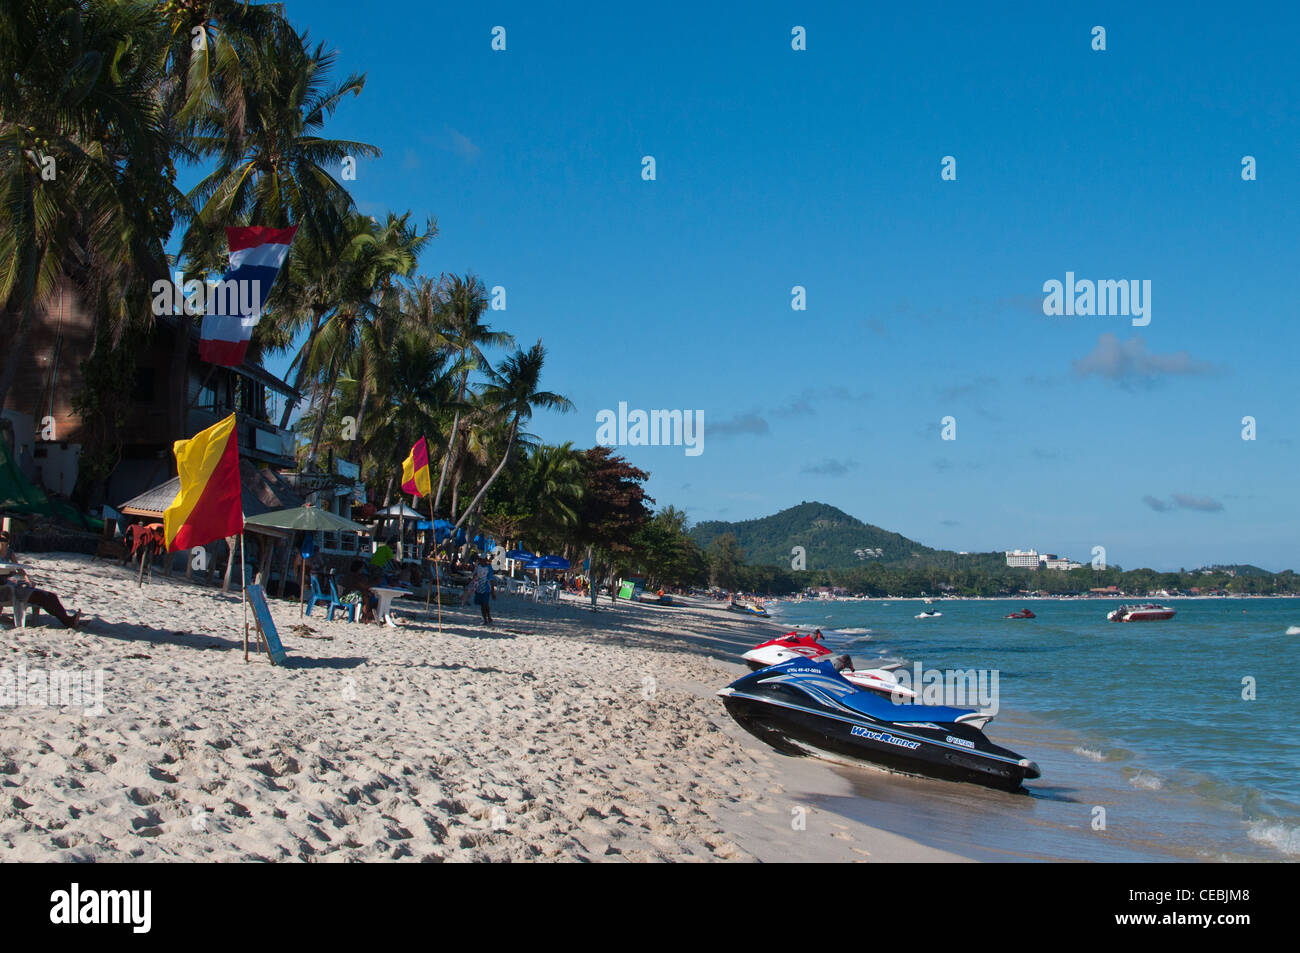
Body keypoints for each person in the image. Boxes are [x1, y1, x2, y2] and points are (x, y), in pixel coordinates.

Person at [0, 531, 82, 629]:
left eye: (5, 542)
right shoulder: (3, 562)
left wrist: (25, 581)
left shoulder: (8, 555)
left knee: (50, 597)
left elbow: (18, 571)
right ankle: (68, 621)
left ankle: (68, 620)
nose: (4, 544)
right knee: (47, 598)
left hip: (13, 589)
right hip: (11, 593)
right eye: (2, 542)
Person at [471, 555, 494, 625]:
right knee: (482, 605)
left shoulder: (489, 568)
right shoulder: (478, 567)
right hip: (478, 588)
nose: (482, 561)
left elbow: (491, 580)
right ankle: (485, 619)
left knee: (485, 604)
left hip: (486, 588)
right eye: (480, 560)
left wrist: (493, 591)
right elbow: (474, 575)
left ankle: (488, 617)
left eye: (483, 560)